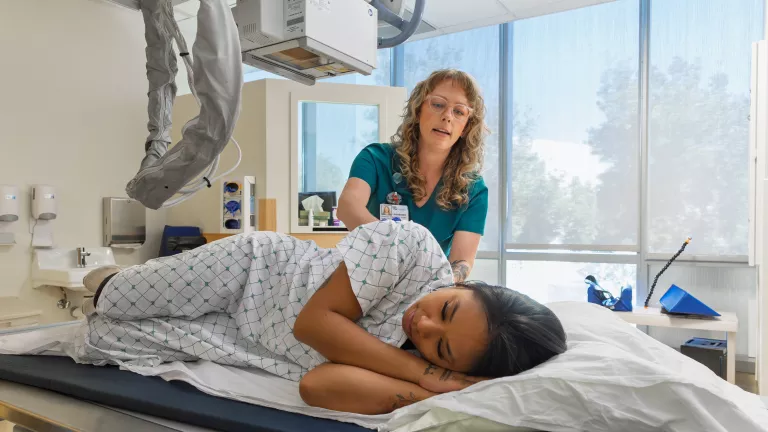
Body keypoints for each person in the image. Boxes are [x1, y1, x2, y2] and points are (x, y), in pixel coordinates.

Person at [78, 221, 567, 415]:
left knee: (101, 338)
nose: (423, 327)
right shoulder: (413, 249)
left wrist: (441, 385)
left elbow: (319, 384)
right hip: (251, 274)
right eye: (447, 309)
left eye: (441, 347)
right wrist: (426, 369)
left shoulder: (431, 365)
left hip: (249, 340)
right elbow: (314, 326)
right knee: (112, 300)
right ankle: (107, 277)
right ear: (466, 284)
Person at [338, 69, 490, 284]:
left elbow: (462, 261)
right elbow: (347, 207)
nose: (447, 116)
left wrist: (433, 282)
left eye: (459, 112)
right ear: (418, 110)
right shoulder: (375, 158)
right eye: (438, 104)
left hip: (425, 288)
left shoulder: (473, 190)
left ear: (466, 127)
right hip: (362, 279)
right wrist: (400, 254)